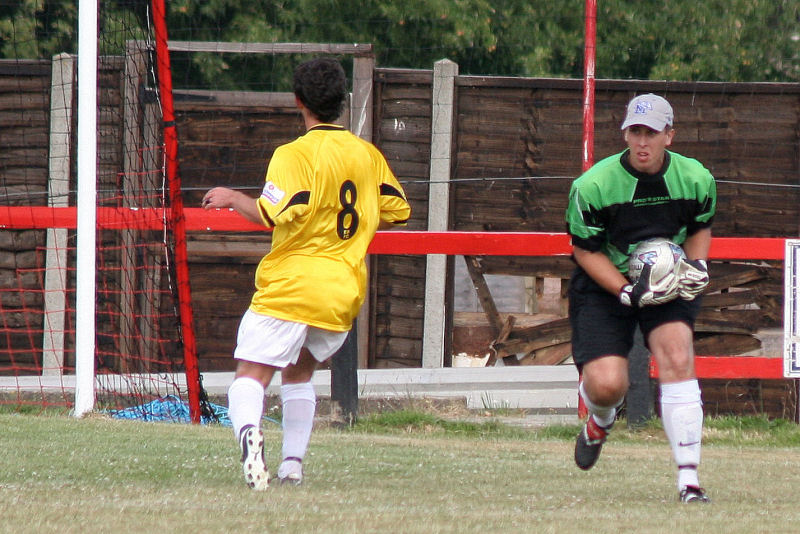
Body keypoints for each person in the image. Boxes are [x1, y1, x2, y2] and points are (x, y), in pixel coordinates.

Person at [202, 57, 411, 490]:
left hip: (292, 286)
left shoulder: (293, 154)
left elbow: (272, 212)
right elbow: (397, 210)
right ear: (342, 102)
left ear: (298, 102)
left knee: (250, 376)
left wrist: (231, 198)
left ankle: (249, 435)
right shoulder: (367, 155)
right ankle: (291, 467)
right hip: (342, 292)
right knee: (298, 373)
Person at [564, 93, 716, 503]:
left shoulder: (696, 178)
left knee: (678, 354)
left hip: (668, 282)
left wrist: (697, 266)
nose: (642, 142)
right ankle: (600, 419)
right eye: (635, 131)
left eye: (651, 132)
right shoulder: (593, 185)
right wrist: (625, 289)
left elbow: (701, 225)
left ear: (670, 135)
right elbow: (584, 250)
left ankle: (689, 481)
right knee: (608, 384)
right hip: (605, 284)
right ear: (625, 134)